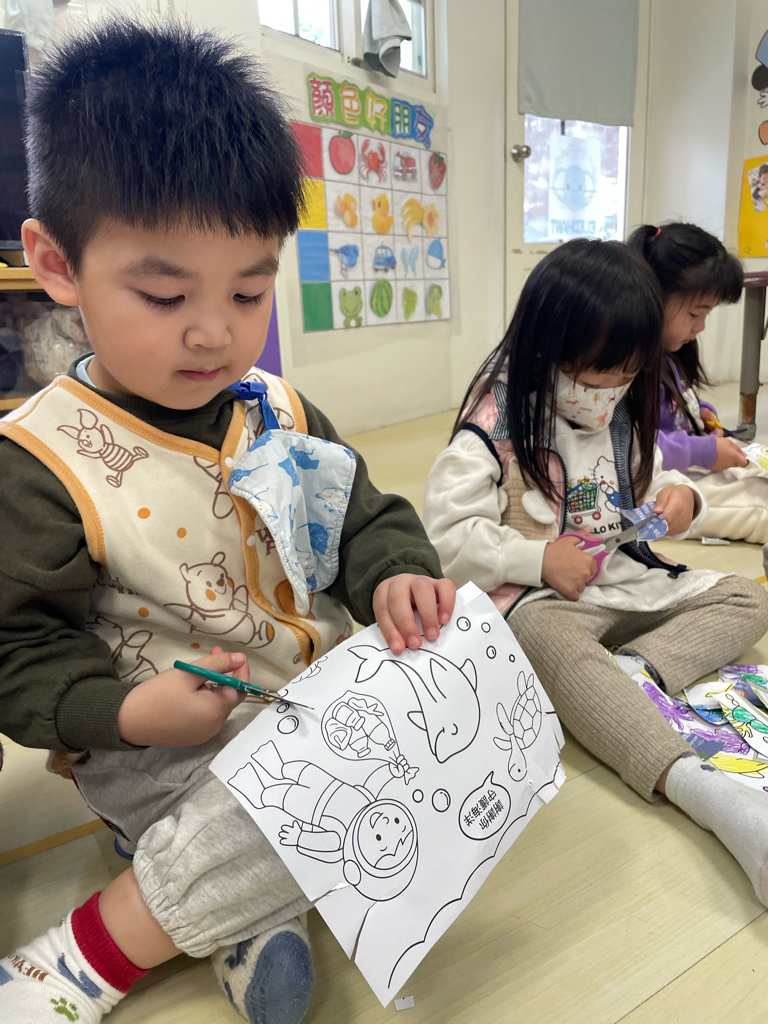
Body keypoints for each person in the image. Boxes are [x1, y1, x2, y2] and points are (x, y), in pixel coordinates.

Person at [0, 20, 456, 1024]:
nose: (215, 331)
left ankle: (224, 898)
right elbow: (16, 651)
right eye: (165, 295)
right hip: (159, 742)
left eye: (250, 290)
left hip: (310, 709)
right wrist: (127, 716)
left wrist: (393, 573)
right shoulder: (41, 461)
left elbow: (364, 516)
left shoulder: (280, 409)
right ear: (58, 264)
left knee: (444, 720)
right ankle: (92, 949)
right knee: (317, 797)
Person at [423, 238, 768, 909]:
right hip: (543, 602)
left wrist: (681, 501)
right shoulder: (494, 421)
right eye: (599, 373)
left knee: (746, 600)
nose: (611, 391)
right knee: (546, 643)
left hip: (624, 579)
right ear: (546, 350)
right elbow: (445, 538)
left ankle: (632, 675)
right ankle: (710, 797)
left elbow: (647, 484)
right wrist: (536, 559)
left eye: (628, 375)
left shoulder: (622, 407)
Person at [626, 222, 768, 548]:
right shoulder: (626, 365)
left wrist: (700, 414)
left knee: (756, 476)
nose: (701, 326)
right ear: (654, 297)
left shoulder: (670, 354)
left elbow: (675, 404)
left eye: (707, 314)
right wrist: (702, 450)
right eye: (695, 314)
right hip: (653, 487)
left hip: (682, 471)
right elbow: (632, 447)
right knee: (759, 505)